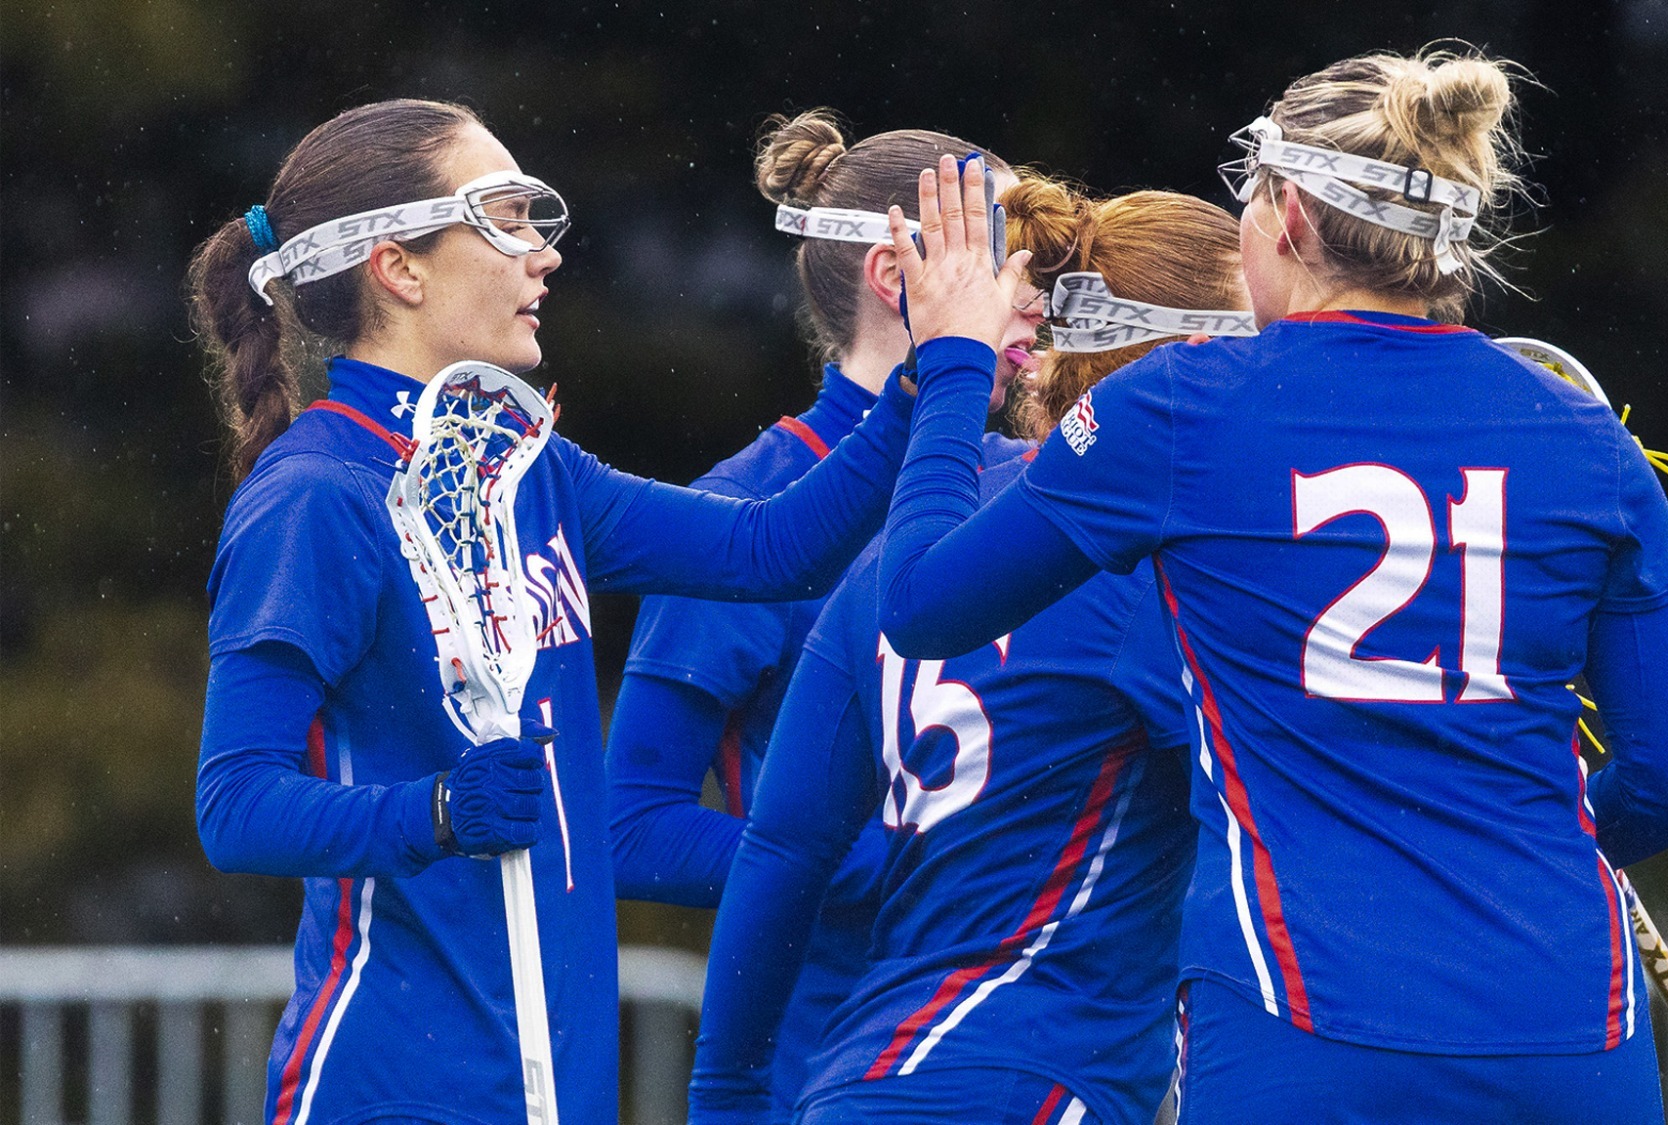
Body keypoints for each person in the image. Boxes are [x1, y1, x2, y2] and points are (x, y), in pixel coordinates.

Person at [872, 48, 1668, 1124]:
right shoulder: (1584, 437)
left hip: (1302, 1020)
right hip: (1568, 1027)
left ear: (1286, 215)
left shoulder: (1177, 406)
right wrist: (1518, 852)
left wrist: (953, 358)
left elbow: (922, 603)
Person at [188, 98, 924, 1125]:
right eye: (505, 218)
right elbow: (234, 806)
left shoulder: (528, 467)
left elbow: (776, 548)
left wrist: (929, 371)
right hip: (395, 1088)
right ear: (398, 268)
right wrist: (431, 813)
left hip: (556, 1086)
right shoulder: (313, 494)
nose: (544, 253)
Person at [689, 180, 1254, 1125]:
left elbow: (782, 852)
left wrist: (726, 1095)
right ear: (1198, 354)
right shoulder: (1159, 574)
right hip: (1027, 1082)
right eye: (1266, 343)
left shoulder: (908, 542)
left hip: (856, 1084)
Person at [606, 109, 1043, 1106]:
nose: (1034, 300)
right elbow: (629, 825)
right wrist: (886, 866)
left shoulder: (1032, 488)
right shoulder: (743, 513)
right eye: (1005, 258)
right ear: (896, 277)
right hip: (819, 1062)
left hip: (1007, 1053)